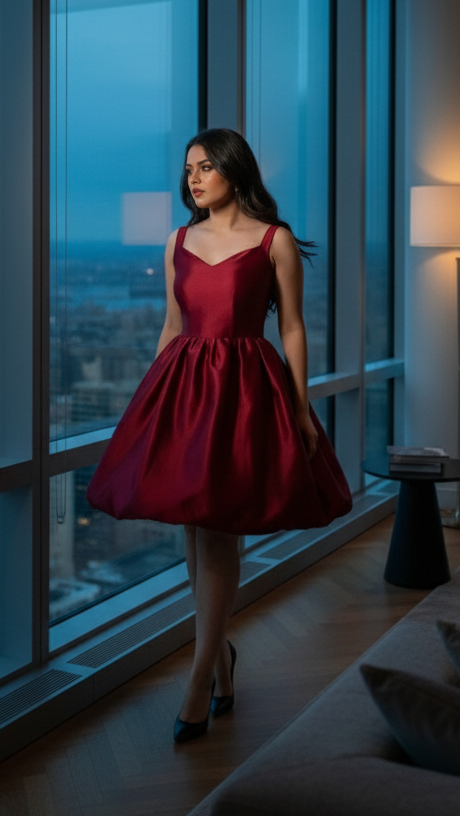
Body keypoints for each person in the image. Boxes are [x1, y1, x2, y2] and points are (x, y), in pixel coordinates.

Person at [87, 128, 352, 742]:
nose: (194, 179)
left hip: (245, 391)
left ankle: (199, 677)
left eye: (206, 167)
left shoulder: (273, 240)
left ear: (236, 171)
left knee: (217, 534)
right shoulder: (177, 241)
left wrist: (302, 406)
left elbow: (291, 328)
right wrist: (154, 403)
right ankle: (221, 663)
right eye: (188, 170)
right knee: (195, 528)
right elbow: (172, 324)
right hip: (183, 390)